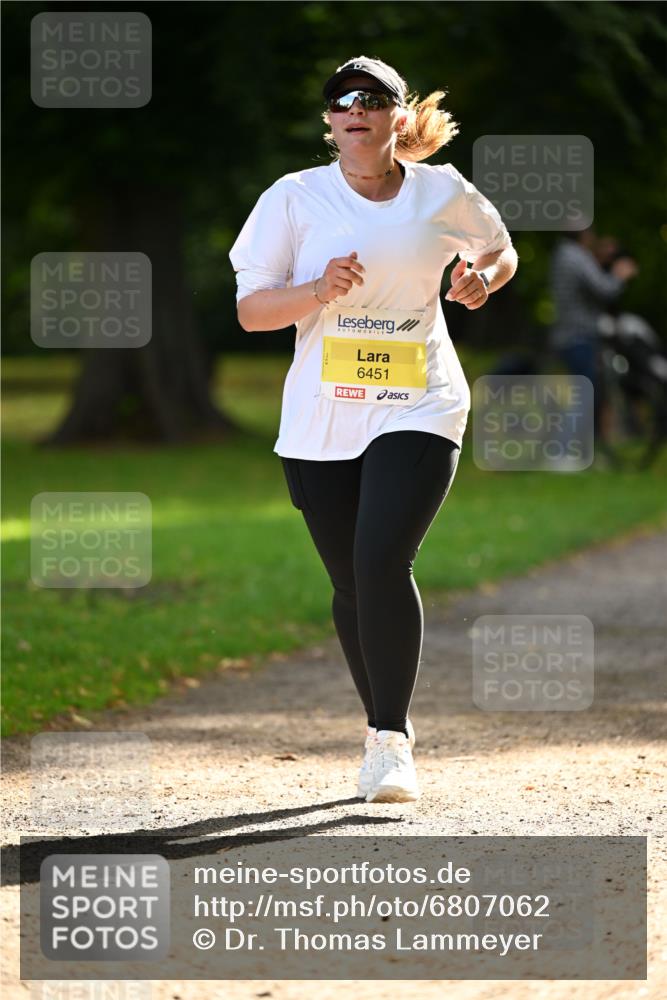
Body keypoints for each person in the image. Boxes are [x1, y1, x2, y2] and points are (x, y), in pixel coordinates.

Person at [229, 55, 518, 803]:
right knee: (352, 583)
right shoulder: (293, 198)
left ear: (398, 115)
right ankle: (382, 724)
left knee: (382, 560)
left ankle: (389, 741)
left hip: (419, 399)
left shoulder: (441, 191)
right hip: (323, 413)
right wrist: (316, 290)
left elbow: (499, 248)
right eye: (340, 100)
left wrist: (481, 280)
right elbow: (252, 312)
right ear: (330, 122)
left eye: (370, 98)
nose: (353, 108)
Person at [549, 228, 638, 438]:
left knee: (585, 393)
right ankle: (562, 449)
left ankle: (576, 446)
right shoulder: (577, 256)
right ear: (585, 234)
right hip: (579, 336)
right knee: (584, 395)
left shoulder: (561, 254)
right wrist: (619, 275)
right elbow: (605, 289)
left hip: (566, 335)